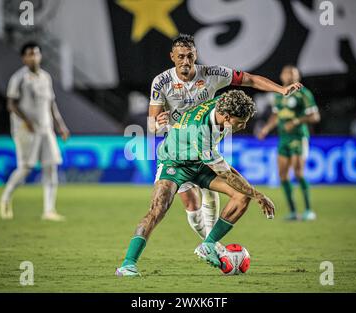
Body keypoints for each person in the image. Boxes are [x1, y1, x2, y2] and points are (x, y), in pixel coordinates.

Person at [148, 34, 301, 240]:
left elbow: (251, 80)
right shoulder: (161, 82)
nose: (186, 61)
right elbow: (152, 125)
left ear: (196, 55)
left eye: (190, 56)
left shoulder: (212, 74)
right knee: (193, 207)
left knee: (212, 192)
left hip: (205, 139)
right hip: (180, 147)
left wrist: (281, 90)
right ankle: (209, 244)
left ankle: (211, 246)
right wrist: (157, 125)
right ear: (172, 57)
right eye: (181, 56)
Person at [116, 90, 276, 276]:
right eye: (241, 121)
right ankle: (127, 265)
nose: (244, 125)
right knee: (158, 209)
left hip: (199, 162)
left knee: (242, 196)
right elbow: (226, 174)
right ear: (226, 116)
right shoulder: (201, 131)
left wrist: (252, 194)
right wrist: (258, 195)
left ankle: (208, 244)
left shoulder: (223, 103)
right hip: (174, 162)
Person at [0, 41, 70, 221]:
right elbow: (11, 104)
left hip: (46, 129)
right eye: (30, 54)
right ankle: (5, 198)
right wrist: (26, 121)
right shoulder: (18, 78)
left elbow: (51, 104)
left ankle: (49, 210)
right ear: (24, 58)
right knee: (25, 169)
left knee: (51, 167)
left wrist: (60, 125)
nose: (34, 57)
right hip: (26, 130)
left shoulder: (45, 77)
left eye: (36, 54)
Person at [258, 65, 320, 221]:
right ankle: (293, 211)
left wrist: (297, 121)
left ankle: (308, 210)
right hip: (283, 139)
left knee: (298, 173)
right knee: (283, 175)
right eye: (287, 73)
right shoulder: (279, 95)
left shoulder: (304, 94)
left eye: (293, 74)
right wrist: (266, 128)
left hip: (299, 137)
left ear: (298, 76)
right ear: (282, 76)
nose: (290, 76)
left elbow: (315, 116)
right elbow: (276, 116)